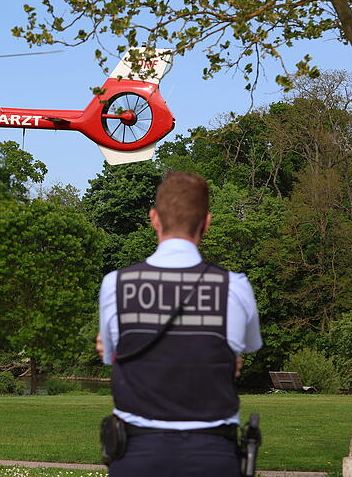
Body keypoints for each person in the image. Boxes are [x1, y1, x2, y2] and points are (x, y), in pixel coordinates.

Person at [98, 171, 262, 477]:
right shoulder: (235, 287)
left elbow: (112, 356)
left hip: (136, 455)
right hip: (213, 454)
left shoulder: (116, 285)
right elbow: (242, 353)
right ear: (207, 223)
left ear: (154, 219)